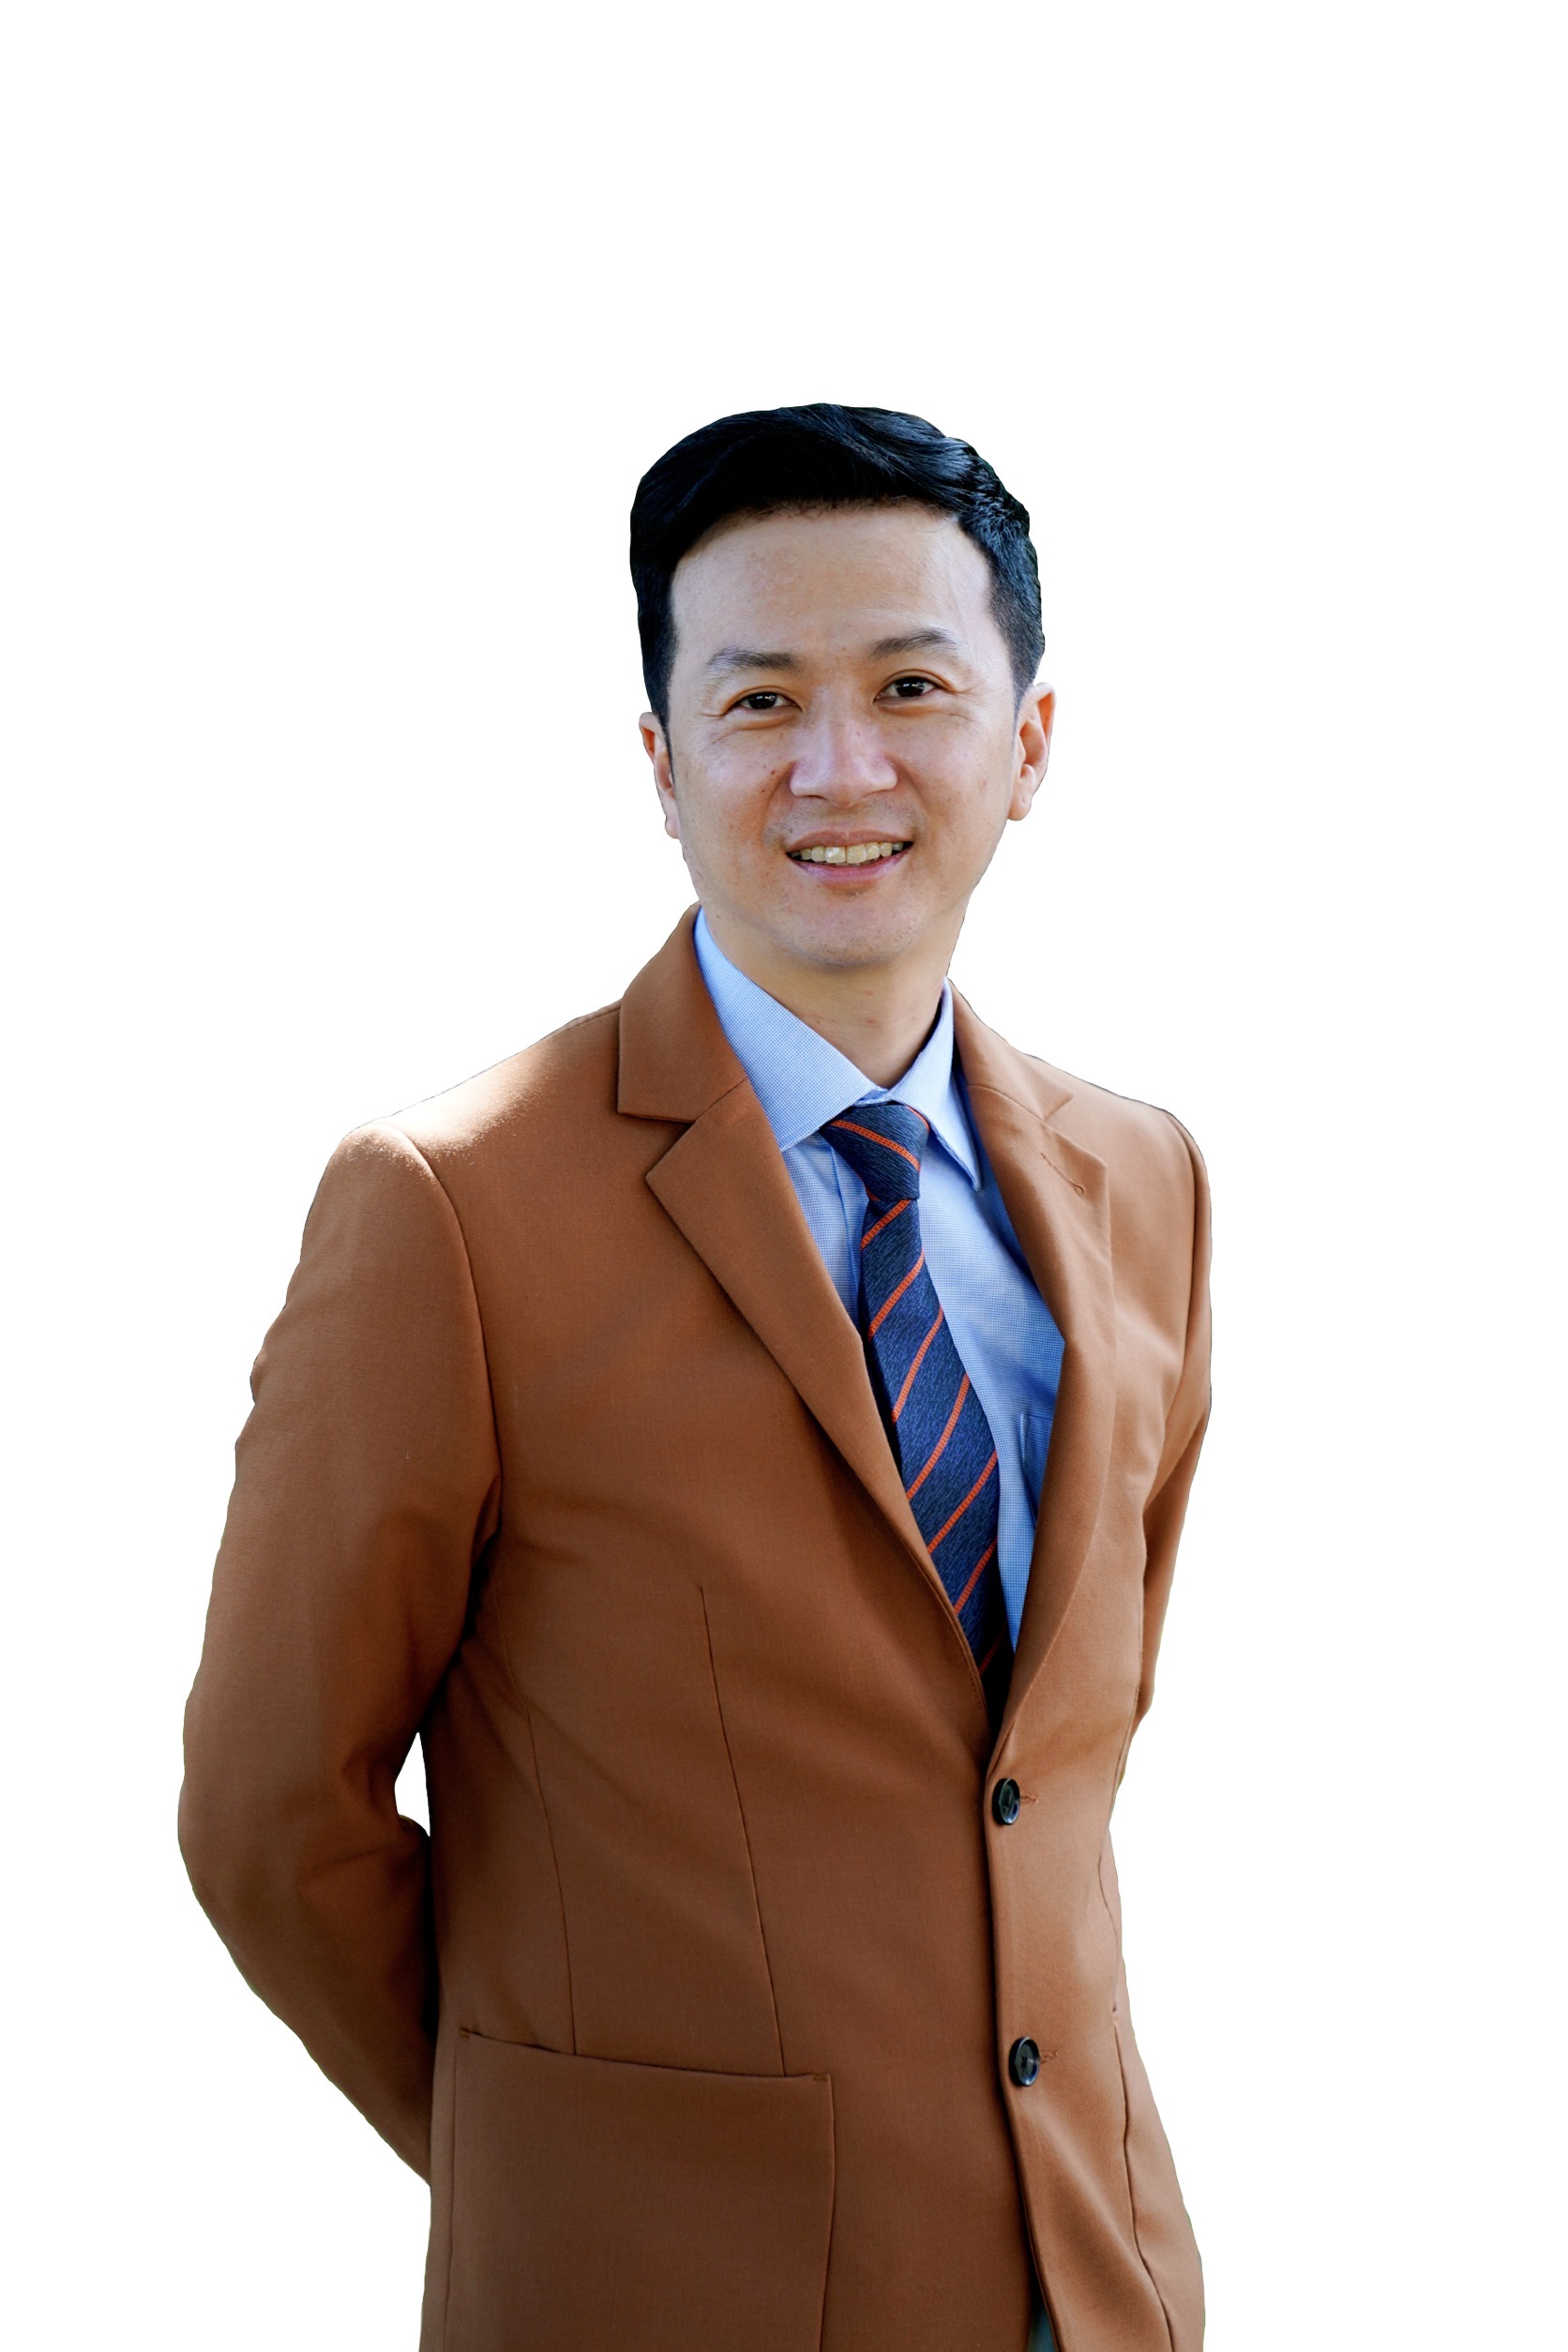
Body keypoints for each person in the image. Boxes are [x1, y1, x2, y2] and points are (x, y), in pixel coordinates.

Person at [181, 403, 1213, 2352]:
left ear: (1029, 742)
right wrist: (578, 2151)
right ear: (660, 766)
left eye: (911, 685)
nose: (842, 768)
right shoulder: (450, 1213)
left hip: (1097, 2284)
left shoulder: (1137, 1179)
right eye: (758, 705)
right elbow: (265, 1818)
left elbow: (1037, 1766)